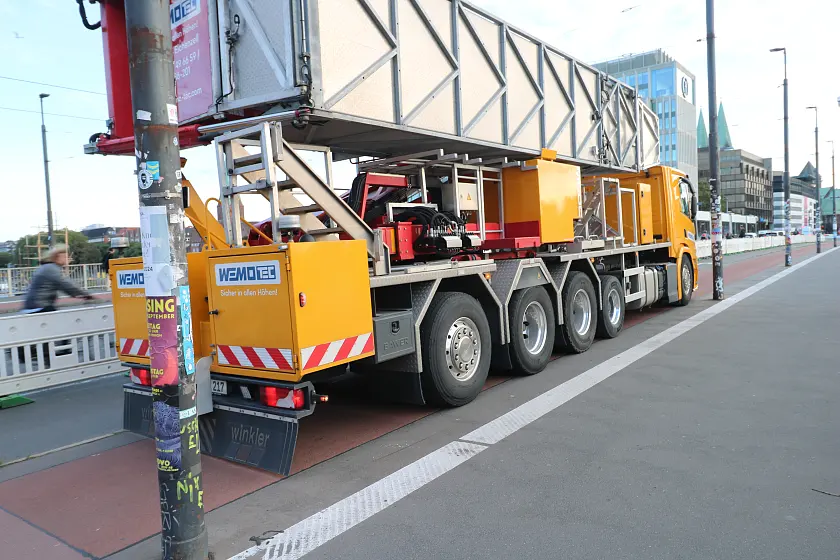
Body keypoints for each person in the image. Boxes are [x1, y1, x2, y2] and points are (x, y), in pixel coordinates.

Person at [22, 245, 93, 313]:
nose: (67, 258)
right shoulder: (51, 268)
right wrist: (86, 295)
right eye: (64, 256)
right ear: (56, 257)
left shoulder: (45, 267)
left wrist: (78, 294)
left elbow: (65, 287)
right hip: (39, 306)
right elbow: (66, 284)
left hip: (33, 305)